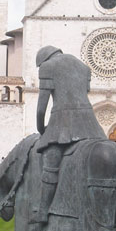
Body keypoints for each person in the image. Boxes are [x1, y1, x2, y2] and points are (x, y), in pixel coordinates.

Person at [34, 45, 107, 221]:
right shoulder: (83, 67)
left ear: (43, 60)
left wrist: (41, 128)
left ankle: (43, 211)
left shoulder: (47, 67)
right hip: (90, 124)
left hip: (63, 122)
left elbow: (41, 108)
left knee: (51, 160)